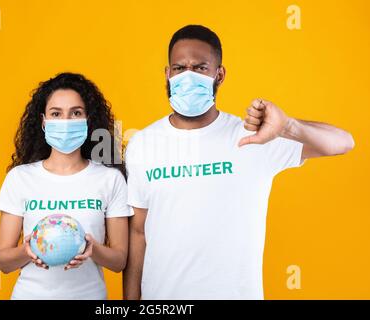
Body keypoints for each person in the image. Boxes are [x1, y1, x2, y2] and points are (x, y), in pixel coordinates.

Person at [123, 25, 355, 300]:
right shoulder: (143, 144)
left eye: (199, 68)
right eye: (179, 68)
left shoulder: (255, 137)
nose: (187, 76)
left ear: (219, 75)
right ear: (167, 74)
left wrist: (288, 126)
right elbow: (138, 232)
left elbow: (343, 143)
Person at [0, 72, 131, 299]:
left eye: (75, 113)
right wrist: (27, 250)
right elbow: (4, 261)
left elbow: (119, 261)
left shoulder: (110, 179)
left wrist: (92, 249)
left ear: (88, 121)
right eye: (56, 114)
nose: (65, 122)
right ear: (43, 122)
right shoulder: (20, 178)